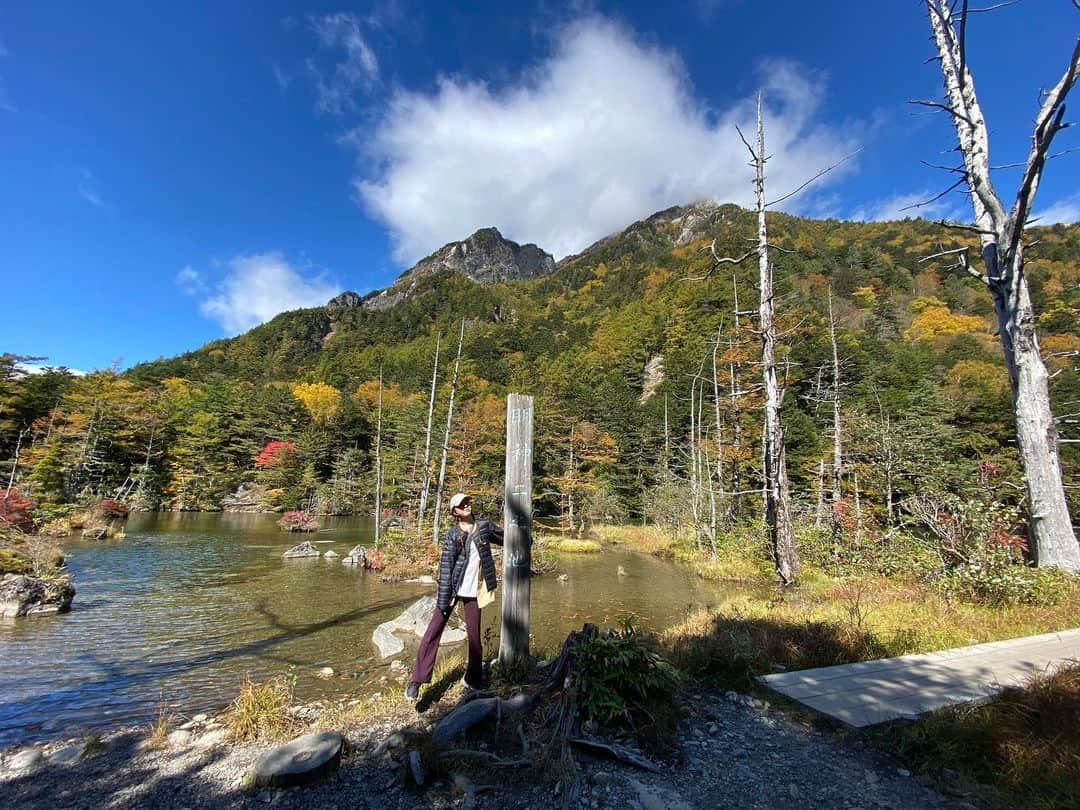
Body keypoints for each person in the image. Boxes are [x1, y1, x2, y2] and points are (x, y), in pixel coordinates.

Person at [404, 492, 503, 702]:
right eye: (461, 504)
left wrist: (524, 539)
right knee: (433, 632)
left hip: (475, 591)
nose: (466, 505)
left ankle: (473, 679)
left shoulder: (484, 527)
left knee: (475, 638)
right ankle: (416, 681)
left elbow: (506, 537)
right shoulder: (453, 534)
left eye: (467, 502)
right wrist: (443, 598)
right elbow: (447, 567)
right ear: (455, 512)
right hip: (453, 589)